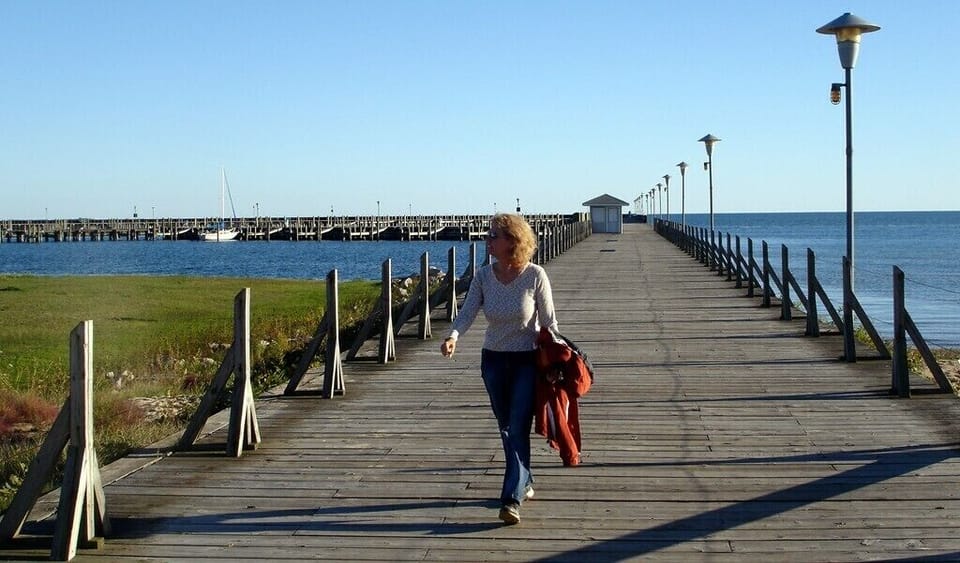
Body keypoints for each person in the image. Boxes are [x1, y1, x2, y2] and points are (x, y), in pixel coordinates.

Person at [440, 212, 558, 525]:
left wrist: (556, 358)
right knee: (507, 426)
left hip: (525, 361)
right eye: (488, 234)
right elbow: (467, 313)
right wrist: (453, 337)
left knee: (517, 427)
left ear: (513, 241)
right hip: (493, 361)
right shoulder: (483, 276)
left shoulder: (535, 275)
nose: (488, 240)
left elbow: (549, 323)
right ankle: (525, 479)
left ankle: (511, 499)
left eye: (494, 235)